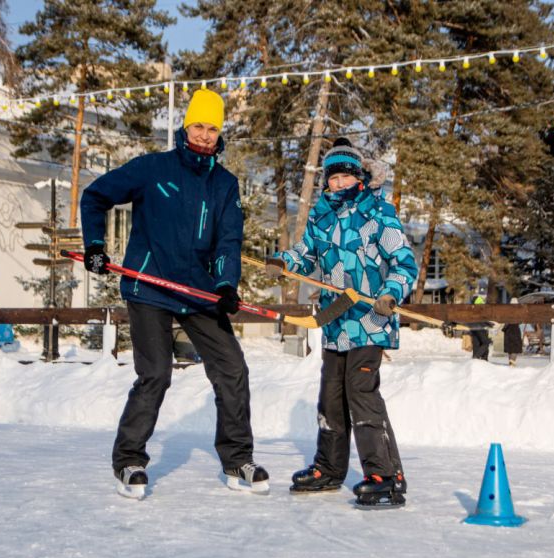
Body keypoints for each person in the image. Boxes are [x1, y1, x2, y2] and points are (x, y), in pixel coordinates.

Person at [80, 89, 268, 499]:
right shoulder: (153, 168)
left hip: (198, 291)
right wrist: (95, 246)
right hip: (149, 285)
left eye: (212, 128)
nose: (204, 135)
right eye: (198, 125)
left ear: (221, 134)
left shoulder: (225, 185)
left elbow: (228, 241)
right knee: (156, 373)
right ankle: (129, 459)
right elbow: (95, 197)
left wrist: (225, 285)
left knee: (232, 368)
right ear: (186, 126)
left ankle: (238, 459)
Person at [266, 137, 418, 508]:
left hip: (370, 319)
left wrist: (391, 293)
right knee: (330, 398)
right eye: (333, 177)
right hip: (336, 325)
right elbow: (306, 255)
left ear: (359, 177)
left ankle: (384, 475)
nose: (339, 183)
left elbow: (404, 262)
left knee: (360, 392)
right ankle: (329, 469)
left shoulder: (378, 213)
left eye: (346, 176)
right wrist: (285, 262)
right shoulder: (322, 216)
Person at [502, 298, 523, 366]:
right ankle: (512, 361)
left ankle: (511, 361)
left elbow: (504, 320)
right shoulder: (519, 311)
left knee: (510, 347)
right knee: (515, 347)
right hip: (515, 329)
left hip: (508, 329)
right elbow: (520, 321)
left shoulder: (506, 311)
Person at [470, 295, 491, 361]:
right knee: (486, 342)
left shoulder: (472, 309)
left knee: (476, 344)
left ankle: (475, 361)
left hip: (473, 328)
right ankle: (477, 357)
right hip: (480, 328)